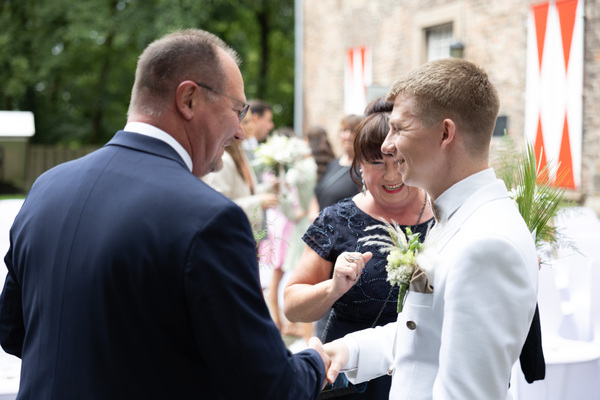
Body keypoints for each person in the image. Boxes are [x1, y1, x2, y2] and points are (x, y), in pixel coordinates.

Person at [0, 28, 329, 399]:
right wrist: (317, 361)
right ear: (188, 99)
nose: (240, 132)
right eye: (237, 111)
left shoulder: (47, 187)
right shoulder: (210, 218)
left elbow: (13, 332)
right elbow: (271, 387)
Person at [323, 58, 539, 399]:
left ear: (445, 133)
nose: (387, 145)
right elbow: (425, 332)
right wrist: (346, 351)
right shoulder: (459, 216)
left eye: (399, 129)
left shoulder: (486, 244)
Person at [284, 97, 434, 399]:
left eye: (400, 161)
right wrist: (332, 288)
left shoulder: (444, 216)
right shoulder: (337, 220)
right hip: (351, 378)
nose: (391, 175)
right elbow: (291, 306)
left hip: (424, 374)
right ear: (359, 164)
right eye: (377, 162)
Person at [202, 136, 278, 232]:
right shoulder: (224, 160)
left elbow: (247, 191)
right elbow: (218, 207)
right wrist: (257, 202)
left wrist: (270, 188)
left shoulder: (241, 154)